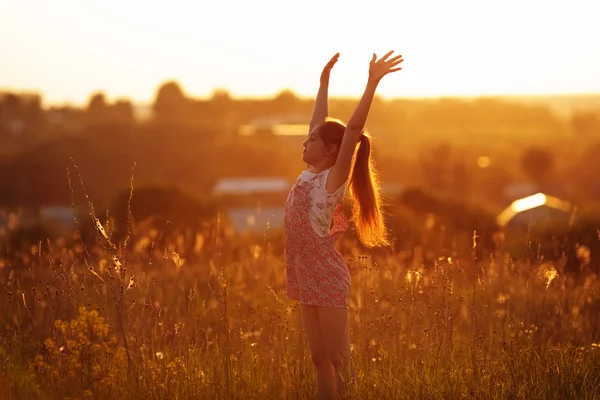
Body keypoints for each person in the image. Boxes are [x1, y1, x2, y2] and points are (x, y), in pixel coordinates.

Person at [283, 50, 404, 399]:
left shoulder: (330, 183)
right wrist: (323, 83)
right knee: (319, 358)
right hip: (304, 273)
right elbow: (318, 123)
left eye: (312, 141)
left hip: (327, 277)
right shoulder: (309, 174)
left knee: (340, 357)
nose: (305, 142)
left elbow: (351, 129)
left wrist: (372, 82)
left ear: (330, 151)